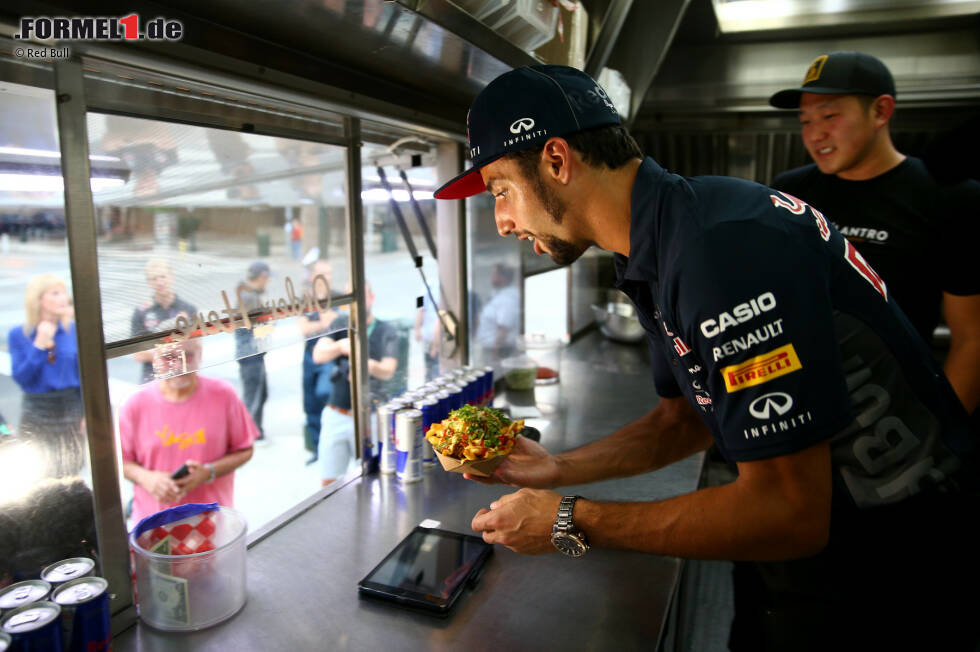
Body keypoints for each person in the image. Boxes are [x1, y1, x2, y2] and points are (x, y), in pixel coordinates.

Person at [433, 65, 979, 650]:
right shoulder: (660, 241)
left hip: (896, 562)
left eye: (501, 191)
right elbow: (686, 419)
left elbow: (787, 511)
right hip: (826, 549)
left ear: (558, 161)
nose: (503, 220)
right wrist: (558, 468)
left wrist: (569, 520)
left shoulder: (721, 248)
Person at [768, 51, 980, 420]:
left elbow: (972, 340)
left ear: (881, 111)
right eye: (805, 120)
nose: (815, 134)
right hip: (802, 404)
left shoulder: (951, 197)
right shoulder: (790, 192)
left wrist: (941, 439)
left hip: (895, 414)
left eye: (830, 115)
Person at [119, 339, 257, 524]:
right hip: (155, 524)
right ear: (155, 359)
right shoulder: (135, 404)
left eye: (188, 355)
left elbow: (245, 448)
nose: (179, 365)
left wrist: (208, 472)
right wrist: (146, 478)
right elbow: (121, 462)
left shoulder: (224, 394)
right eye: (169, 357)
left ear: (200, 355)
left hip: (212, 522)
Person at [312, 283, 398, 485]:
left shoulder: (385, 330)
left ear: (372, 297)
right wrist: (341, 346)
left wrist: (363, 364)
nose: (357, 303)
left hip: (372, 416)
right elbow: (318, 354)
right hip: (338, 412)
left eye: (362, 296)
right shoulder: (340, 323)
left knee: (375, 478)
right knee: (330, 480)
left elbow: (388, 370)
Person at [7, 274, 85, 477]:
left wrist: (85, 413)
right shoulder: (18, 334)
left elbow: (83, 376)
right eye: (55, 293)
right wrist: (39, 344)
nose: (64, 298)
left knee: (70, 473)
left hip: (70, 408)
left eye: (64, 292)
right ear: (38, 299)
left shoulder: (74, 331)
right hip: (38, 411)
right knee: (38, 476)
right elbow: (22, 378)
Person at [297, 259, 338, 465]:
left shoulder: (337, 297)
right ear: (313, 276)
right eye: (322, 274)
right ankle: (317, 448)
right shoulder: (306, 299)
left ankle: (330, 445)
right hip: (309, 353)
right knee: (310, 402)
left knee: (325, 393)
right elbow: (303, 328)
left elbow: (332, 322)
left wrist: (320, 316)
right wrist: (321, 322)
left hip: (328, 354)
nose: (326, 278)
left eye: (329, 274)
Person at [131, 258, 197, 383]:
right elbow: (138, 354)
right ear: (149, 283)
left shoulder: (188, 309)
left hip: (183, 374)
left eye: (163, 277)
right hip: (152, 378)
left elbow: (196, 347)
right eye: (154, 279)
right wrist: (172, 353)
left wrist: (160, 352)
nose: (160, 282)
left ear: (171, 277)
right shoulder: (141, 312)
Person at [235, 261, 270, 441]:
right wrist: (270, 325)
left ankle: (256, 432)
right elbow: (254, 328)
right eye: (267, 278)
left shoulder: (248, 294)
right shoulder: (249, 297)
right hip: (250, 354)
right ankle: (246, 435)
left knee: (260, 394)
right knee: (253, 398)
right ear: (262, 277)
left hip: (253, 353)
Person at [475, 263, 520, 364]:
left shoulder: (508, 298)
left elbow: (504, 328)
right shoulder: (498, 294)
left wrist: (496, 352)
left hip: (500, 351)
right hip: (491, 348)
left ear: (503, 278)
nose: (491, 277)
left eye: (494, 274)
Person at [414, 278, 441, 381]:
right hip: (431, 337)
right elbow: (420, 307)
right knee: (431, 370)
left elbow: (420, 308)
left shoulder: (428, 285)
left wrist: (417, 329)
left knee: (432, 371)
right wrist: (417, 329)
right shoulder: (428, 285)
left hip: (434, 337)